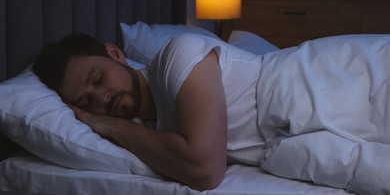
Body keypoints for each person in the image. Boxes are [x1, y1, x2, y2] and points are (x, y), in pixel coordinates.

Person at [33, 32, 390, 193]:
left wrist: (109, 126)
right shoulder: (153, 132)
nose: (101, 97)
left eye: (97, 79)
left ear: (115, 53)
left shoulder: (177, 55)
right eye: (85, 102)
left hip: (328, 80)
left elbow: (205, 170)